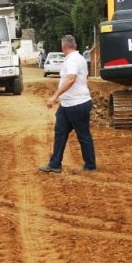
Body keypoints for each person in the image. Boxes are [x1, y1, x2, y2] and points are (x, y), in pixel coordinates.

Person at [39, 35, 97, 173]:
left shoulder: (72, 60)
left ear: (63, 46)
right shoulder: (78, 58)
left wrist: (55, 96)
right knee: (60, 132)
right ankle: (55, 164)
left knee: (83, 135)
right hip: (67, 105)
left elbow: (71, 79)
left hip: (77, 104)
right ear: (75, 45)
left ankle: (90, 165)